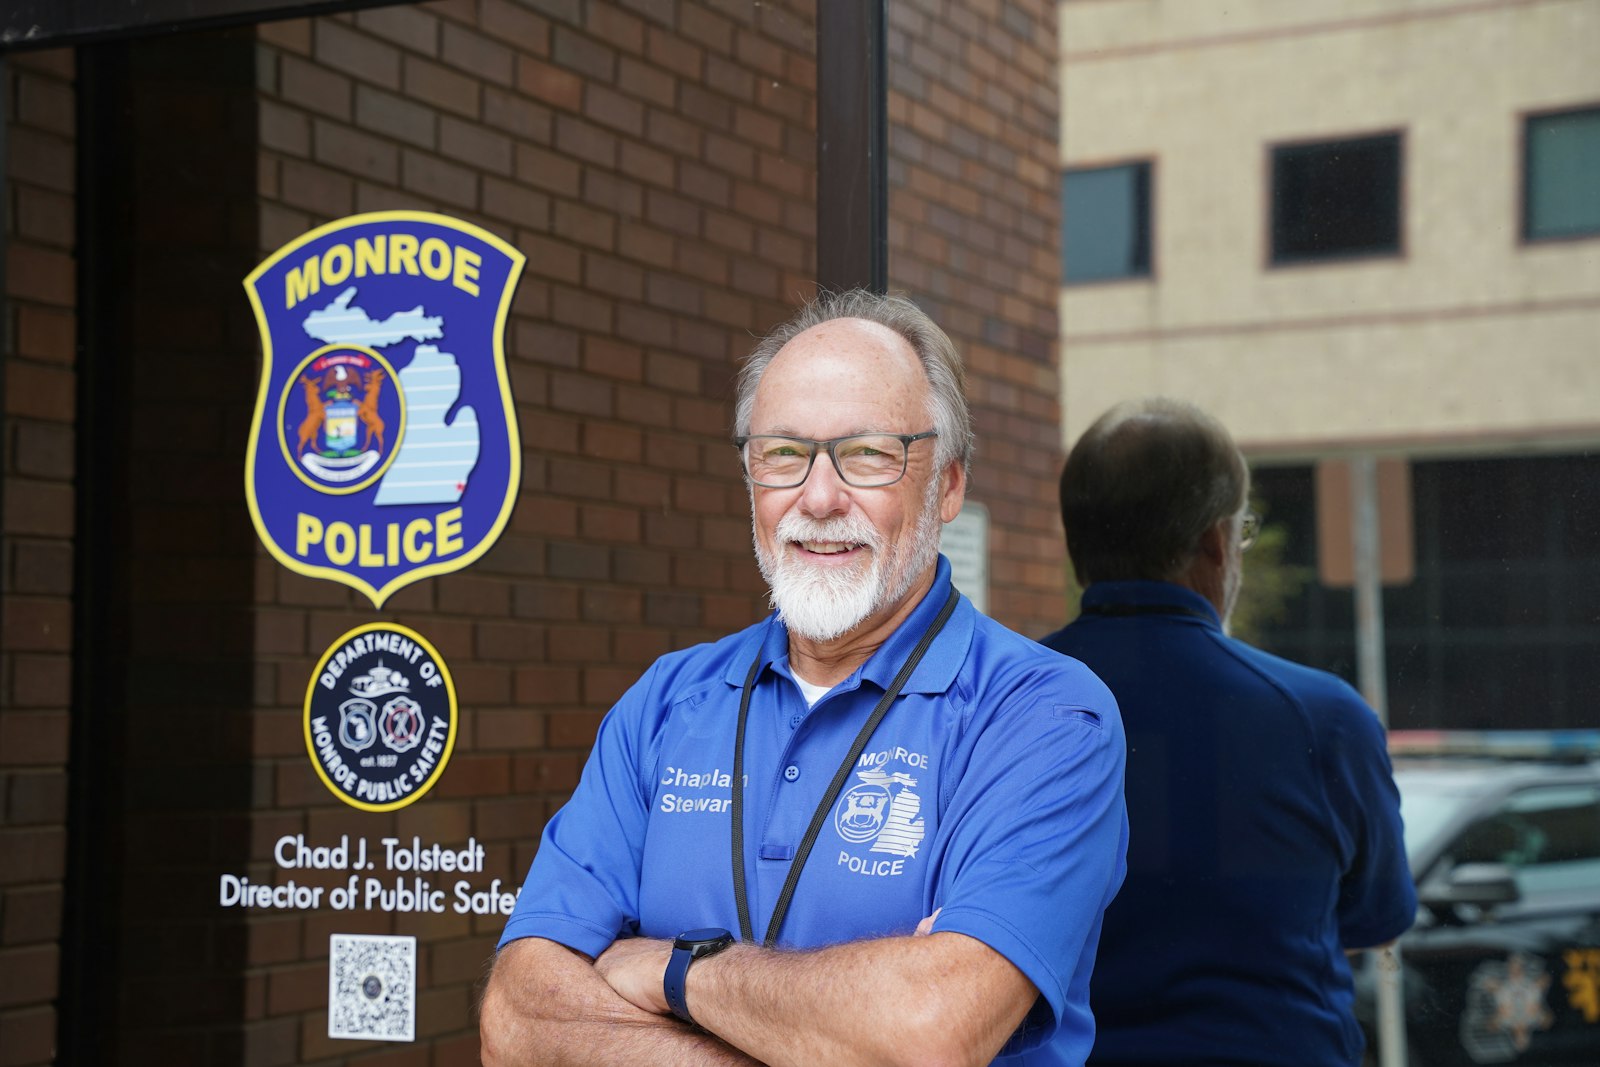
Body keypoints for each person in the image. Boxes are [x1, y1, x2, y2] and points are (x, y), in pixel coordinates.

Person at [480, 290, 1128, 1067]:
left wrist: (668, 967)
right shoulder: (665, 702)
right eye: (783, 453)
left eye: (868, 453)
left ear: (948, 484)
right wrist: (835, 1031)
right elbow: (519, 1020)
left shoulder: (1043, 718)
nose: (819, 498)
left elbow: (928, 1030)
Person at [1039, 398, 1416, 1067]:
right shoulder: (1323, 717)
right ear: (1216, 543)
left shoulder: (995, 710)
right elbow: (1375, 915)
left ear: (1077, 548)